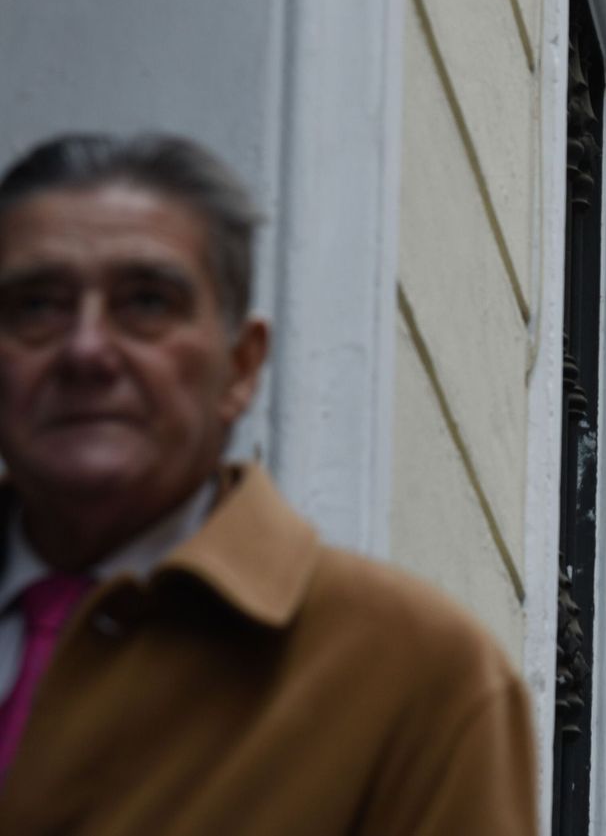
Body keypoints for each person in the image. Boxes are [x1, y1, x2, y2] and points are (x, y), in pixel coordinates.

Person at [0, 134, 536, 834]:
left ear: (243, 366)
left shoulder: (416, 677)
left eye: (147, 302)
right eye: (38, 306)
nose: (86, 350)